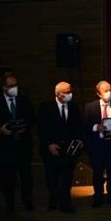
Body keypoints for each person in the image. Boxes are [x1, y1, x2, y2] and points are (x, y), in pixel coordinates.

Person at [0, 72, 37, 211]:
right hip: (6, 147)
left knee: (26, 175)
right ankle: (10, 204)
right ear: (3, 87)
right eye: (11, 86)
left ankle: (28, 202)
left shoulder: (23, 98)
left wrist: (25, 126)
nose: (14, 88)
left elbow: (32, 117)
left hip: (23, 144)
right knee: (9, 177)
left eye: (16, 85)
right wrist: (1, 129)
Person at [37, 82, 82, 213]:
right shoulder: (46, 107)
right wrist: (49, 144)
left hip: (69, 150)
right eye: (66, 92)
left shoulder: (74, 106)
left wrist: (79, 140)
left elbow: (78, 125)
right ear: (58, 94)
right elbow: (41, 128)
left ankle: (65, 203)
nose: (69, 94)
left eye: (70, 91)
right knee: (52, 177)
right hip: (52, 149)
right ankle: (53, 200)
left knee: (67, 178)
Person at [84, 80, 111, 207]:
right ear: (98, 93)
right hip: (97, 146)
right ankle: (98, 197)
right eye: (106, 90)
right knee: (97, 173)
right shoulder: (90, 107)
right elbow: (85, 125)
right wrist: (96, 127)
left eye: (110, 90)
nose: (109, 93)